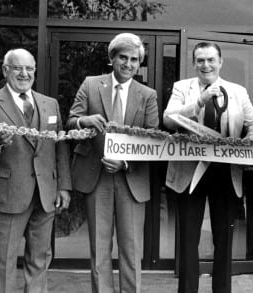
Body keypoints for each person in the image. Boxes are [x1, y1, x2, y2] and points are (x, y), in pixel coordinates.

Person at [163, 41, 253, 293]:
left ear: (220, 62)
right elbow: (169, 120)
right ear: (194, 63)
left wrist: (244, 146)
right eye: (200, 60)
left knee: (224, 240)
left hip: (225, 172)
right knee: (188, 241)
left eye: (210, 60)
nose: (205, 65)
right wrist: (199, 101)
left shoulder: (237, 91)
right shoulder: (182, 87)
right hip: (190, 171)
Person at [66, 33, 159, 292]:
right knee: (100, 247)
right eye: (123, 58)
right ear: (112, 58)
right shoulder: (91, 84)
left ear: (139, 63)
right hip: (96, 176)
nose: (128, 64)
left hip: (131, 179)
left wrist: (125, 162)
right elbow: (71, 121)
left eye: (134, 60)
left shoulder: (147, 94)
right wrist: (84, 121)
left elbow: (153, 139)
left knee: (131, 249)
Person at [0, 48, 71, 292]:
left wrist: (63, 186)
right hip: (6, 194)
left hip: (45, 194)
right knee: (2, 260)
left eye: (29, 68)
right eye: (17, 68)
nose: (24, 73)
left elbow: (59, 148)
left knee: (40, 259)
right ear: (6, 70)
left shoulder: (50, 104)